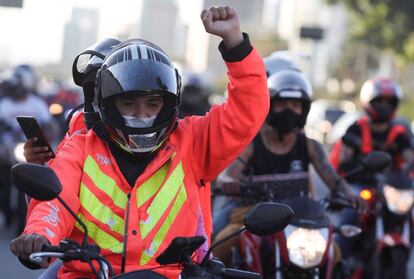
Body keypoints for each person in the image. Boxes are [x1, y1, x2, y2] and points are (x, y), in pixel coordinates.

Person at [10, 6, 270, 278]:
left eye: (153, 103)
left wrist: (235, 43)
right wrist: (38, 234)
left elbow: (247, 111)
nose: (142, 114)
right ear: (108, 103)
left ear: (168, 103)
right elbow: (55, 200)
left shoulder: (193, 141)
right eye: (129, 103)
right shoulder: (80, 147)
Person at [212, 68, 366, 267]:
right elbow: (226, 176)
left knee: (334, 255)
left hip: (298, 217)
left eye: (295, 105)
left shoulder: (309, 145)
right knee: (219, 247)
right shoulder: (252, 144)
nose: (289, 110)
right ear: (270, 106)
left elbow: (332, 178)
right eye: (282, 104)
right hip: (252, 214)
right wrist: (231, 184)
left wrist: (349, 194)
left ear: (304, 110)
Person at [330, 78, 414, 259]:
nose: (384, 106)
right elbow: (342, 158)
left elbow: (409, 155)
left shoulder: (400, 133)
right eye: (379, 101)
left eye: (389, 102)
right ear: (368, 102)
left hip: (391, 190)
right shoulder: (356, 129)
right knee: (350, 217)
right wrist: (350, 164)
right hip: (360, 187)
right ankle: (338, 264)